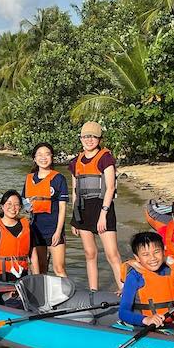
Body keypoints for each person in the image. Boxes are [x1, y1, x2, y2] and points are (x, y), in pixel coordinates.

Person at [69, 121, 122, 292]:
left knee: (112, 254)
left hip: (102, 208)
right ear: (81, 138)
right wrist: (74, 219)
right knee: (89, 253)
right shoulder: (75, 162)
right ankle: (93, 291)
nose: (89, 140)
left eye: (93, 136)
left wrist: (103, 215)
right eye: (86, 136)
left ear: (99, 139)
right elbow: (75, 191)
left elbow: (110, 187)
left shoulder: (105, 158)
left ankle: (124, 288)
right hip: (83, 210)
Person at [22, 142, 68, 276]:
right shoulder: (29, 178)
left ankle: (67, 295)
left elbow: (62, 207)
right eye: (39, 155)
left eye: (47, 154)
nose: (43, 157)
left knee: (59, 268)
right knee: (40, 267)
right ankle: (42, 295)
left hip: (54, 228)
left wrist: (58, 232)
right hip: (36, 229)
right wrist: (27, 206)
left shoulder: (59, 178)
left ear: (52, 157)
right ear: (34, 159)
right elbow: (24, 204)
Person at [0, 190, 38, 282]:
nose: (13, 208)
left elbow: (33, 257)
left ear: (20, 207)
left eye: (16, 204)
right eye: (9, 204)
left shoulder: (28, 228)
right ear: (2, 206)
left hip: (22, 280)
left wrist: (37, 281)